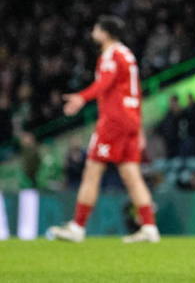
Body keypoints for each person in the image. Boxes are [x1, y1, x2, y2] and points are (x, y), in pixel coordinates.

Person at [46, 16, 160, 243]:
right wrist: (138, 128)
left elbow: (105, 82)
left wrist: (82, 97)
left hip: (114, 121)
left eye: (96, 29)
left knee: (92, 171)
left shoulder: (112, 56)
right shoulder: (127, 54)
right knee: (132, 175)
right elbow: (135, 93)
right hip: (130, 120)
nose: (93, 32)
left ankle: (77, 227)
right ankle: (149, 227)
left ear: (105, 33)